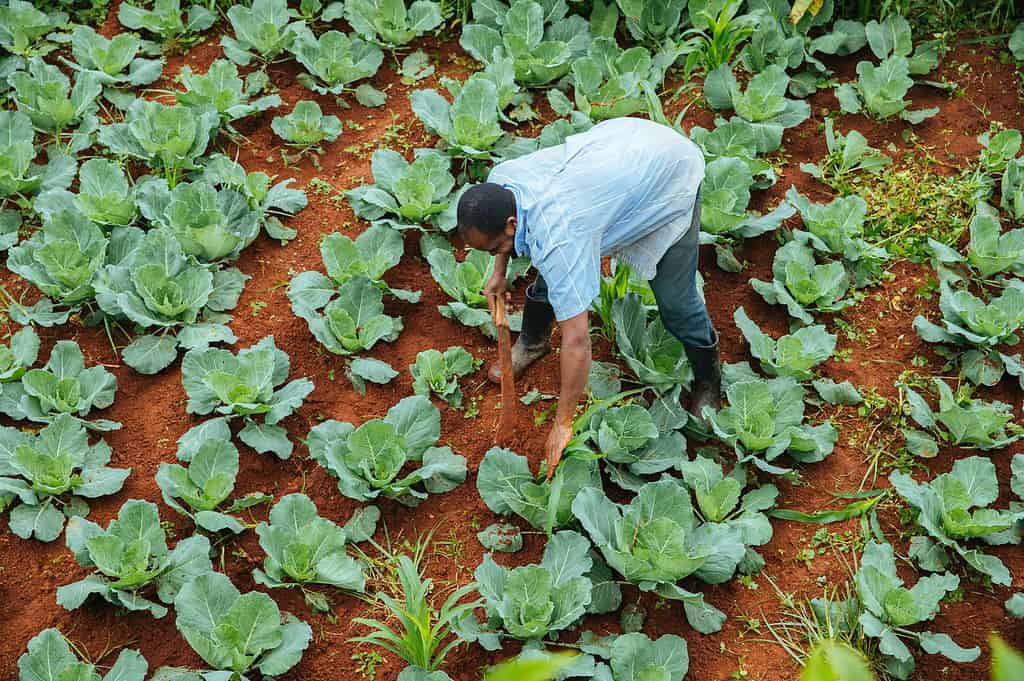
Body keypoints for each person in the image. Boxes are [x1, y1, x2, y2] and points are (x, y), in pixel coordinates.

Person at [456, 116, 717, 479]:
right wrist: (498, 273)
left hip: (666, 175)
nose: (499, 252)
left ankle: (708, 381)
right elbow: (512, 237)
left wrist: (563, 422)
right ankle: (533, 343)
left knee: (676, 302)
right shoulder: (501, 180)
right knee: (553, 267)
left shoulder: (559, 236)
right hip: (618, 158)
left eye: (497, 247)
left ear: (512, 223)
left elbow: (578, 340)